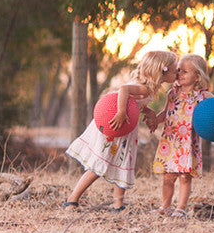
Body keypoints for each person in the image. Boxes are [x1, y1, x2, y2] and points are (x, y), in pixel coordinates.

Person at [63, 50, 178, 211]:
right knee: (99, 165)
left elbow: (136, 103)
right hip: (116, 128)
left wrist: (149, 112)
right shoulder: (143, 88)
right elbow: (124, 90)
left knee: (122, 164)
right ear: (161, 71)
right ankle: (72, 199)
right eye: (174, 71)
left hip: (126, 132)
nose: (177, 73)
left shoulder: (148, 87)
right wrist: (121, 112)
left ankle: (118, 204)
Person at [149, 53, 214, 218]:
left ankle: (181, 208)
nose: (179, 74)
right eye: (178, 70)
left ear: (197, 76)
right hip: (170, 141)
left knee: (185, 177)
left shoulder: (202, 96)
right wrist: (156, 120)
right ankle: (165, 207)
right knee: (168, 177)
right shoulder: (173, 93)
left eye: (184, 71)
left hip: (187, 143)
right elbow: (166, 112)